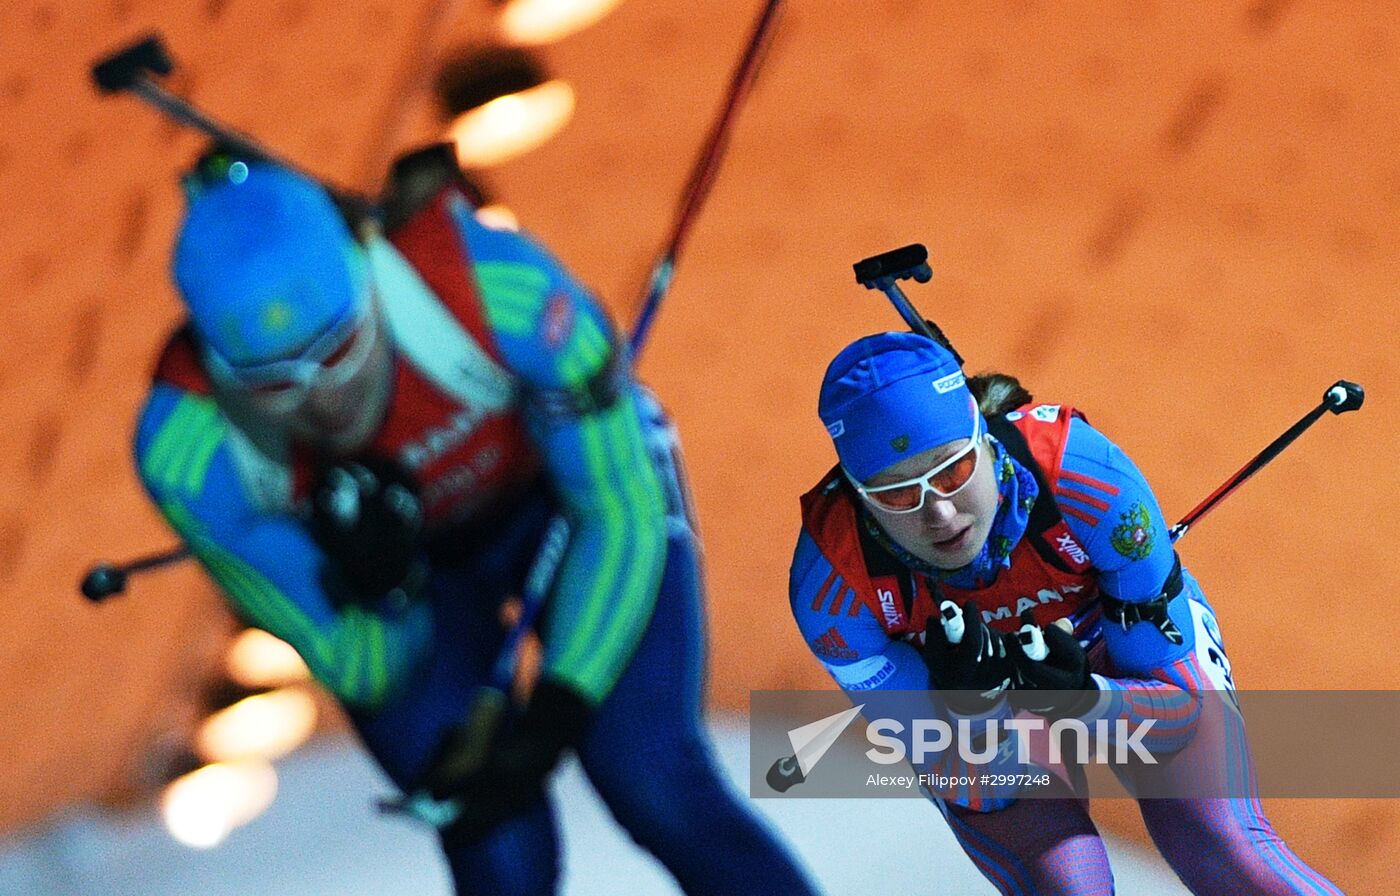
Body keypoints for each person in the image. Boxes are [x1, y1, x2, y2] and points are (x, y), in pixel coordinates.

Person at [133, 145, 819, 896]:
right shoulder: (189, 455)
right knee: (498, 846)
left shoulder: (500, 289)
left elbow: (617, 509)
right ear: (218, 366)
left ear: (368, 280)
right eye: (275, 384)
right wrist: (383, 588)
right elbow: (353, 663)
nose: (322, 400)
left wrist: (561, 706)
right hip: (427, 580)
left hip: (564, 503)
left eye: (339, 352)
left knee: (649, 773)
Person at [789, 330, 1340, 895]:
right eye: (898, 495)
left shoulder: (1089, 480)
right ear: (857, 495)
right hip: (993, 730)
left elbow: (1181, 721)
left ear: (984, 438)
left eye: (951, 471)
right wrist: (976, 713)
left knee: (1230, 853)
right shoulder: (832, 587)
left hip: (1120, 663)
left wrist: (1085, 699)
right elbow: (973, 787)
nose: (942, 513)